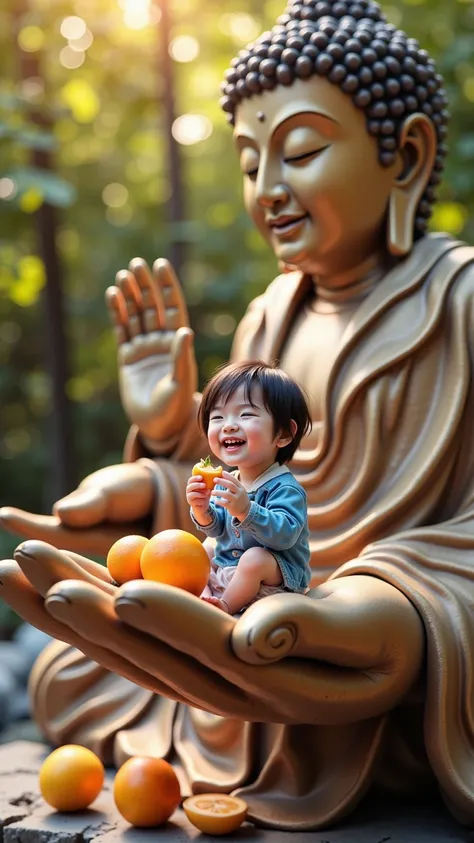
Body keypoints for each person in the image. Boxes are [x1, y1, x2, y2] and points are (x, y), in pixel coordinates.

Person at [2, 0, 474, 832]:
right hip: (259, 625)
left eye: (300, 151)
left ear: (406, 155)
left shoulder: (460, 302)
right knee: (69, 671)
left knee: (291, 672)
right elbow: (231, 482)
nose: (269, 190)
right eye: (252, 162)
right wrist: (158, 455)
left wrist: (401, 607)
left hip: (390, 653)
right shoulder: (269, 317)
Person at [187, 361, 312, 614]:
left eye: (245, 414)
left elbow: (284, 536)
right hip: (229, 567)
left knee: (255, 558)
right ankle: (203, 596)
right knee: (202, 548)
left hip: (274, 580)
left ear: (284, 434)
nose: (229, 425)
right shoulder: (230, 479)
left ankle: (223, 606)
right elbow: (218, 529)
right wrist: (201, 509)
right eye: (218, 416)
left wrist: (246, 509)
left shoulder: (285, 488)